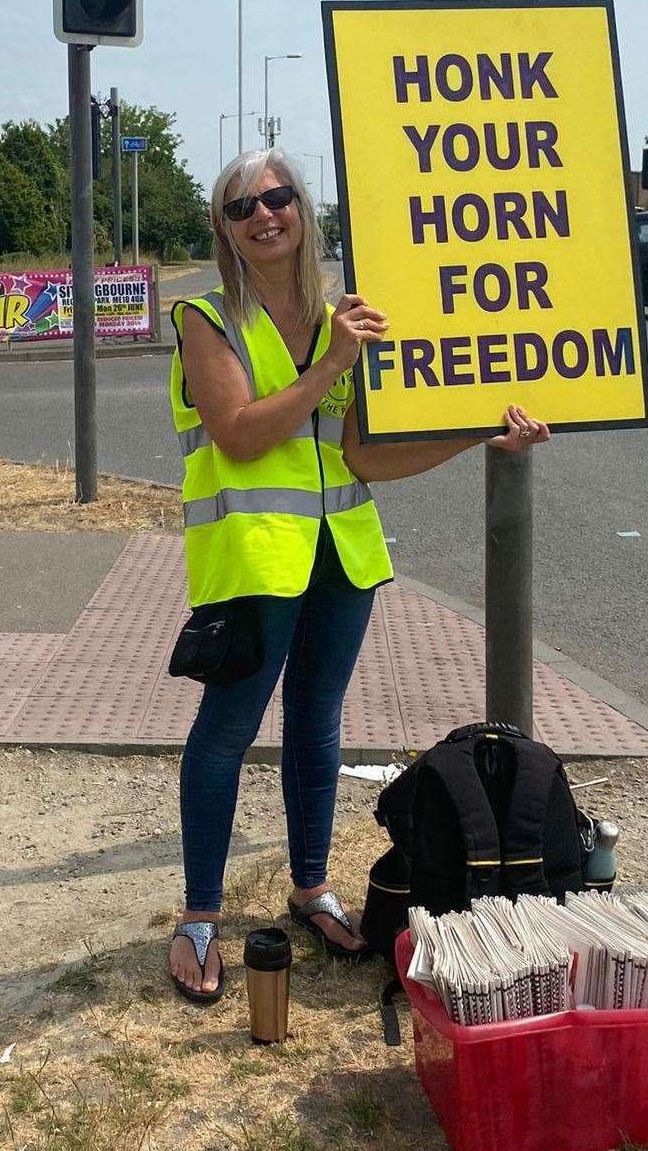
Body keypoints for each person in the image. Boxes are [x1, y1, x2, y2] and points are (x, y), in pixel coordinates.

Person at [166, 149, 550, 1002]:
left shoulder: (341, 314)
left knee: (317, 722)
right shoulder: (206, 315)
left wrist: (476, 433)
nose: (264, 215)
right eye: (241, 207)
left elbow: (362, 454)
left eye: (278, 197)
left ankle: (310, 885)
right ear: (223, 229)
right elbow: (238, 432)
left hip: (342, 554)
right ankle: (198, 915)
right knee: (227, 730)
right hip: (256, 559)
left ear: (304, 207)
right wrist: (332, 363)